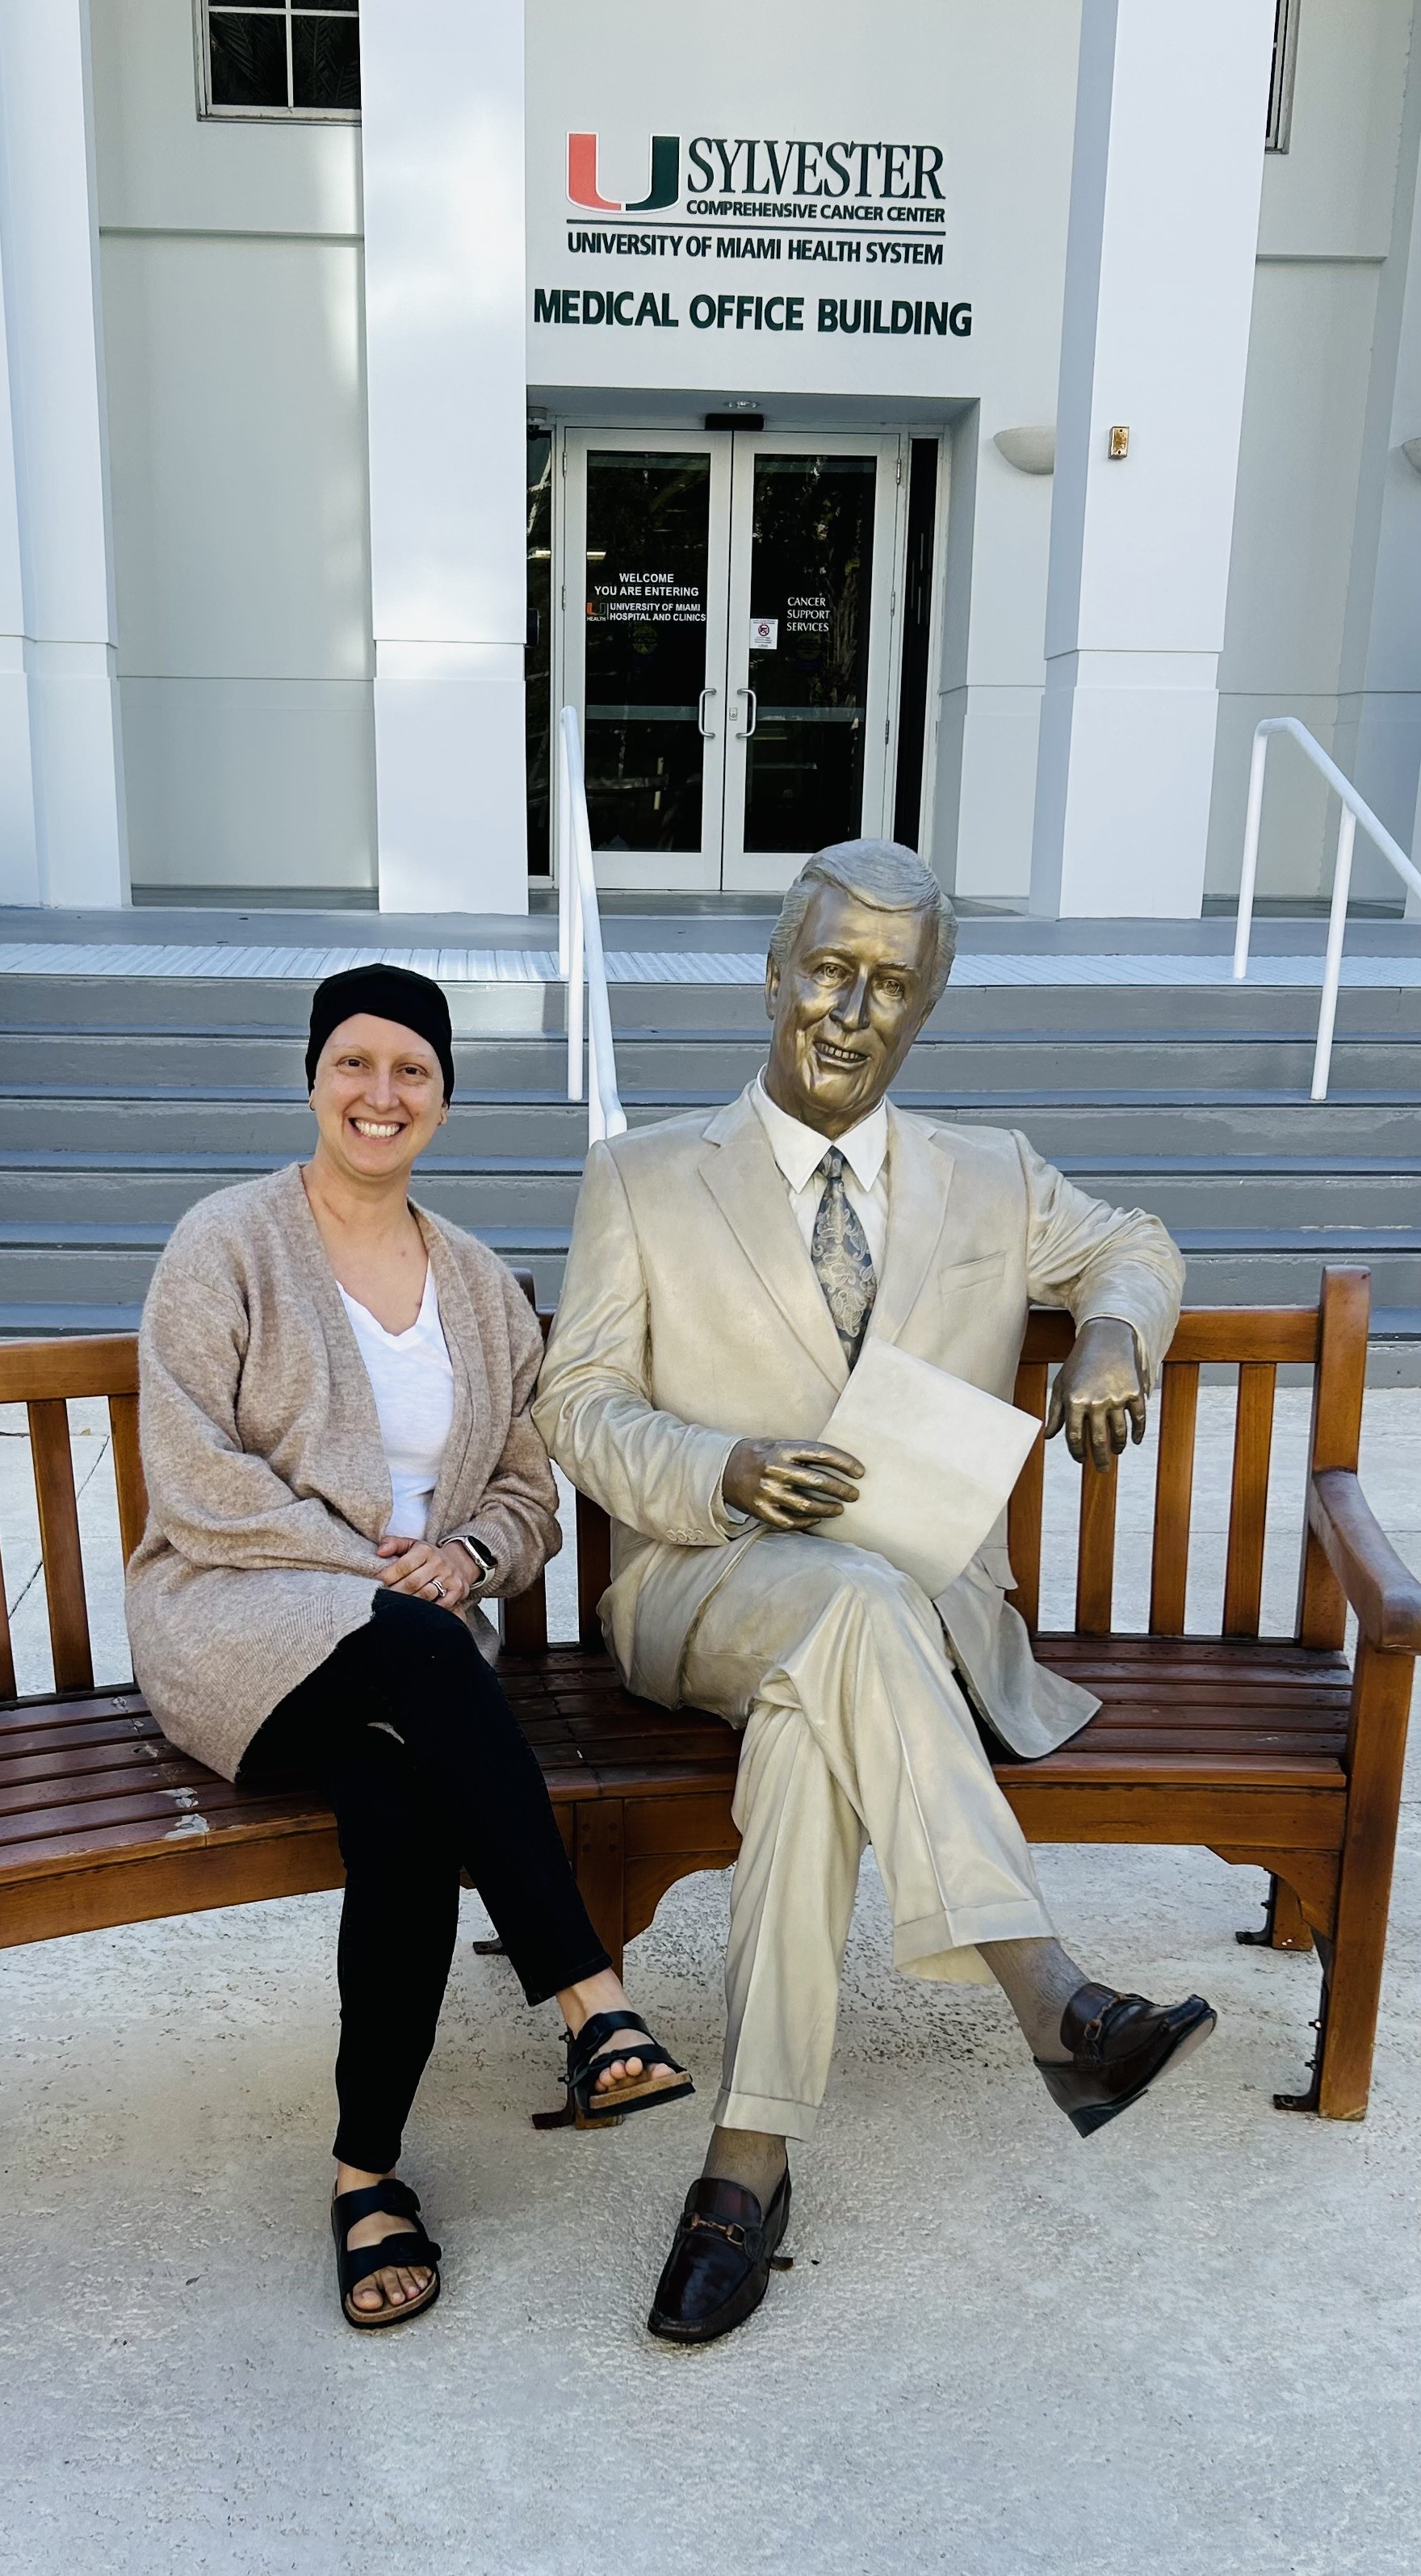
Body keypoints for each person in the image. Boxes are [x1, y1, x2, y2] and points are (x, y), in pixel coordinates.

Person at [534, 841, 1215, 2347]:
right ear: (774, 970)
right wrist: (719, 1465)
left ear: (926, 1008)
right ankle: (1046, 1991)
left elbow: (1136, 1243)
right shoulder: (641, 1175)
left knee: (809, 1737)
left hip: (907, 1614)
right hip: (701, 1591)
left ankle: (744, 2166)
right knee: (833, 1605)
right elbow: (573, 1402)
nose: (849, 1008)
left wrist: (1110, 1340)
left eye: (889, 984)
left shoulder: (991, 1171)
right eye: (828, 968)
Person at [126, 964, 693, 2332]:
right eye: (354, 1065)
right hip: (236, 1620)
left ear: (442, 1097)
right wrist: (382, 1570)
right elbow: (192, 1475)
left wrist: (473, 1557)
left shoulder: (484, 1285)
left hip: (411, 1658)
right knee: (423, 1644)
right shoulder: (227, 1242)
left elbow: (525, 1490)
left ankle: (364, 2171)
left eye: (412, 1072)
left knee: (398, 1806)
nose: (381, 1094)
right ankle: (589, 1997)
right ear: (314, 1079)